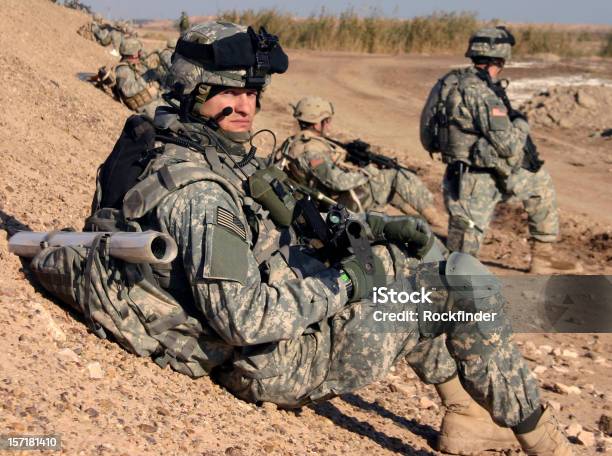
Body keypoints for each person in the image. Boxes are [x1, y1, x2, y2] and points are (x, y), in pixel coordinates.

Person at [33, 22, 572, 455]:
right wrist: (344, 279)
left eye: (252, 92)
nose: (245, 106)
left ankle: (466, 417)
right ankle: (544, 441)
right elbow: (243, 321)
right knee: (458, 283)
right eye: (228, 93)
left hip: (230, 323)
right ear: (195, 91)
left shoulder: (160, 136)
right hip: (268, 361)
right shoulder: (199, 195)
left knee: (399, 267)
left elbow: (276, 208)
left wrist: (372, 229)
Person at [420, 26, 581, 274]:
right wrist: (521, 122)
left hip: (464, 173)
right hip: (477, 180)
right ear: (500, 58)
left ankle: (542, 260)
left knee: (540, 185)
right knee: (461, 257)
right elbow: (508, 145)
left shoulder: (448, 82)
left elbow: (427, 136)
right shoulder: (481, 92)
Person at [278, 97, 446, 228]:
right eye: (327, 120)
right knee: (395, 176)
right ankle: (435, 219)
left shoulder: (294, 142)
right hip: (335, 205)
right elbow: (337, 182)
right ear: (317, 122)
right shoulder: (312, 150)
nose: (329, 125)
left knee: (387, 184)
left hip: (321, 199)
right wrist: (366, 172)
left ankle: (422, 218)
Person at [114, 38, 165, 120]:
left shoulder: (135, 65)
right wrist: (145, 77)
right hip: (148, 108)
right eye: (139, 51)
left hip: (156, 101)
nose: (141, 53)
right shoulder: (123, 69)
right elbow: (127, 91)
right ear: (134, 54)